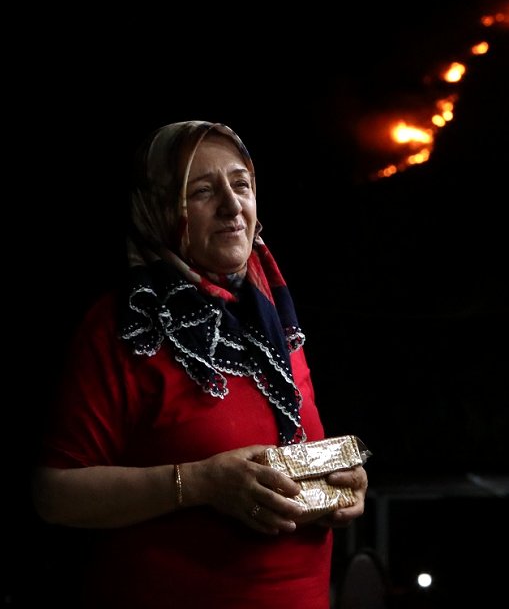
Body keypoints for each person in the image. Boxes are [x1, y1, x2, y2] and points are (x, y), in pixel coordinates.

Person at [33, 120, 369, 609]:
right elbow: (54, 494)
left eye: (242, 185)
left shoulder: (275, 321)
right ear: (160, 206)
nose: (233, 207)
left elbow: (296, 451)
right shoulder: (125, 328)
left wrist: (338, 485)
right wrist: (201, 484)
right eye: (203, 191)